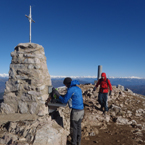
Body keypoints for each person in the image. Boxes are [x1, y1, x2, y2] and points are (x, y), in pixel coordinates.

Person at [52, 77, 84, 145]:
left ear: (67, 84)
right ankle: (79, 142)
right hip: (81, 110)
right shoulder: (77, 88)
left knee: (74, 128)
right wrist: (61, 96)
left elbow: (64, 100)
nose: (65, 86)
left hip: (76, 111)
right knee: (78, 127)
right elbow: (70, 97)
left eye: (65, 85)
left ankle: (74, 143)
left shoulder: (71, 89)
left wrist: (57, 94)